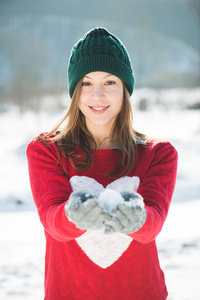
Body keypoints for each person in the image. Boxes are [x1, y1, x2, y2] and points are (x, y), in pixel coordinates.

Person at [27, 27, 178, 300]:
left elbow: (152, 225)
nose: (98, 95)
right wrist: (75, 215)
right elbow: (53, 222)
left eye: (109, 82)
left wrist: (137, 219)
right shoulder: (46, 150)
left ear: (125, 89)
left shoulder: (158, 153)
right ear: (75, 91)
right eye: (86, 83)